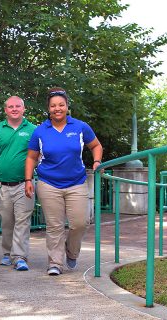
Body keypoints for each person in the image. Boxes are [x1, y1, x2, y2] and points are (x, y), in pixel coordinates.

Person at [24, 87, 103, 276]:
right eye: (53, 106)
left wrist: (97, 161)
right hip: (48, 183)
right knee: (54, 226)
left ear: (67, 106)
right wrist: (28, 179)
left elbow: (96, 145)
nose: (57, 108)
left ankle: (71, 251)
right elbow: (31, 157)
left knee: (80, 223)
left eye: (61, 105)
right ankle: (55, 263)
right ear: (48, 108)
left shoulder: (80, 127)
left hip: (76, 183)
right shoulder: (40, 131)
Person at [0, 96, 36, 271]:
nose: (14, 109)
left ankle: (20, 257)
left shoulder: (33, 130)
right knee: (7, 222)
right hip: (2, 185)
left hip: (25, 184)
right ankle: (7, 253)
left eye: (18, 106)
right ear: (5, 110)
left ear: (24, 109)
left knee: (23, 220)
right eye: (10, 106)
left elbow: (40, 155)